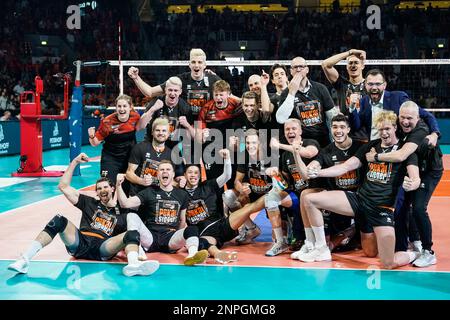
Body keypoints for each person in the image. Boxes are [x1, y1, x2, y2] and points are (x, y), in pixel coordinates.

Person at [298, 111, 421, 269]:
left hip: (381, 208)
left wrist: (413, 183)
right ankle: (321, 248)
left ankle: (415, 253)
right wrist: (318, 172)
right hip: (359, 200)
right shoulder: (371, 146)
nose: (384, 133)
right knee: (309, 199)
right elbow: (345, 166)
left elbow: (415, 177)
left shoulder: (405, 151)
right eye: (380, 129)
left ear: (395, 128)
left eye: (387, 129)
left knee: (385, 262)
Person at [8, 153, 159, 277]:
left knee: (132, 232)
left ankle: (133, 266)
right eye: (99, 188)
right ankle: (25, 260)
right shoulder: (89, 202)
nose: (102, 190)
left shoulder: (123, 212)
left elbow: (128, 237)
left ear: (112, 189)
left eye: (105, 187)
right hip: (80, 242)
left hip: (103, 247)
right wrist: (74, 162)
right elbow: (63, 186)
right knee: (58, 220)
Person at [365, 101, 443, 267]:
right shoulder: (398, 126)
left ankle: (428, 252)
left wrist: (376, 157)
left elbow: (401, 155)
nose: (405, 121)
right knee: (401, 207)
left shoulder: (420, 131)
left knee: (419, 207)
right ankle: (413, 242)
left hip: (428, 172)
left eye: (410, 118)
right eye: (403, 118)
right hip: (411, 169)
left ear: (418, 118)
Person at [293, 114, 364, 258]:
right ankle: (311, 244)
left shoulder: (361, 147)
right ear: (330, 129)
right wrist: (296, 153)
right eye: (335, 127)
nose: (338, 131)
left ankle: (324, 246)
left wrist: (318, 172)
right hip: (337, 198)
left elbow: (341, 168)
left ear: (349, 129)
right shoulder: (326, 151)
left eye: (342, 127)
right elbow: (306, 174)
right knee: (305, 194)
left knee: (370, 251)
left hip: (358, 198)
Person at [117, 161, 209, 266]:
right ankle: (135, 255)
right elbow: (125, 204)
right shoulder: (149, 191)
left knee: (192, 229)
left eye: (168, 169)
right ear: (157, 174)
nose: (165, 171)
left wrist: (179, 239)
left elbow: (182, 221)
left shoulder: (182, 194)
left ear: (173, 174)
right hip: (150, 237)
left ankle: (192, 256)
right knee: (131, 216)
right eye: (162, 170)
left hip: (170, 238)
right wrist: (118, 185)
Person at [268, 118, 322, 254]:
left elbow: (308, 153)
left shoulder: (311, 143)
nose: (290, 131)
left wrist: (279, 145)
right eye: (287, 129)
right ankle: (280, 241)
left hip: (315, 192)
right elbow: (286, 181)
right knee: (271, 197)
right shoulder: (285, 155)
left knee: (305, 199)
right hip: (297, 194)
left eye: (293, 129)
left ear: (301, 131)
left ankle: (305, 239)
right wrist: (275, 174)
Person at [348, 69, 440, 145]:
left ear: (384, 85)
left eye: (378, 84)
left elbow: (427, 115)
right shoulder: (364, 101)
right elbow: (356, 126)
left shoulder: (398, 98)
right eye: (370, 84)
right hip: (373, 146)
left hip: (396, 147)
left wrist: (434, 134)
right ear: (365, 85)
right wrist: (352, 108)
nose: (374, 87)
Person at [128, 48, 221, 117]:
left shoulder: (214, 80)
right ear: (189, 64)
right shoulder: (179, 80)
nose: (196, 65)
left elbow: (230, 97)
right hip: (185, 126)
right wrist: (136, 78)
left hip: (207, 125)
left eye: (200, 62)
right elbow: (150, 92)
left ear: (205, 65)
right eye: (193, 62)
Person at [88, 94, 153, 185]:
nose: (122, 109)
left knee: (128, 187)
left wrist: (152, 110)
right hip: (111, 158)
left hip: (129, 158)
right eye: (119, 106)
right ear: (116, 108)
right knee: (108, 185)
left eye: (124, 106)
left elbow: (140, 126)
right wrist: (91, 136)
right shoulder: (107, 122)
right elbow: (94, 143)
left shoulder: (135, 116)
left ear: (130, 107)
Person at [276, 57, 338, 147]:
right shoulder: (286, 93)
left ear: (307, 69)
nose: (298, 70)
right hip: (301, 142)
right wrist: (292, 93)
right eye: (295, 67)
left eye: (301, 67)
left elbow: (332, 116)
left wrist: (334, 140)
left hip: (323, 140)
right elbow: (281, 119)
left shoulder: (320, 88)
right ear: (291, 71)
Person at [321, 49, 368, 141]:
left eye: (356, 63)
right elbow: (325, 64)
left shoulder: (370, 85)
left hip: (364, 135)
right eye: (350, 63)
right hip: (345, 136)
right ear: (346, 67)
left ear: (362, 66)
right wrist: (350, 52)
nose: (353, 66)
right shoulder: (342, 84)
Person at [126, 118, 180, 197]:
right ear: (152, 132)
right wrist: (142, 181)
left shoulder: (172, 154)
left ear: (168, 134)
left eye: (164, 131)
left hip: (158, 198)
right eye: (157, 130)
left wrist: (179, 184)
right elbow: (129, 173)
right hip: (137, 194)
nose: (161, 133)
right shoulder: (140, 147)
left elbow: (171, 180)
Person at [143, 76, 195, 152]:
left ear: (180, 91)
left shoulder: (185, 108)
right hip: (153, 144)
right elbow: (140, 126)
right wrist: (152, 110)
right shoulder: (155, 102)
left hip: (174, 147)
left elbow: (192, 136)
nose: (172, 93)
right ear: (165, 90)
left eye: (175, 90)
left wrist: (187, 125)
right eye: (170, 90)